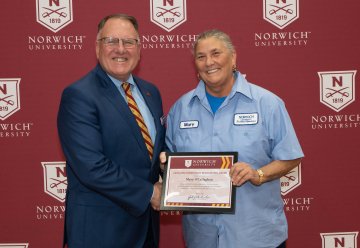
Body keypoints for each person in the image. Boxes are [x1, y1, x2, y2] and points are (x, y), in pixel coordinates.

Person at [161, 29, 304, 248]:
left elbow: (291, 156)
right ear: (196, 64)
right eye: (201, 56)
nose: (209, 62)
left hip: (256, 237)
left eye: (216, 53)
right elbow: (171, 162)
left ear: (233, 57)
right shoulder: (181, 109)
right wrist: (166, 166)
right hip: (201, 237)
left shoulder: (267, 103)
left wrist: (259, 174)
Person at [57, 14, 165, 248]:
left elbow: (154, 153)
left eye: (129, 42)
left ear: (139, 48)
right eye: (111, 41)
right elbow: (91, 166)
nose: (121, 49)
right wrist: (150, 193)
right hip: (101, 231)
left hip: (146, 229)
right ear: (97, 47)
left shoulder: (150, 92)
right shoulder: (80, 95)